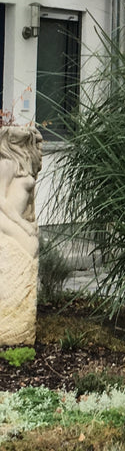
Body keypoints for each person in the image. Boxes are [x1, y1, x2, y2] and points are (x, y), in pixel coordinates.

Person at [0, 125, 42, 345]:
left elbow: (29, 204)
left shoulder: (25, 166)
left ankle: (16, 321)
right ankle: (10, 322)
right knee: (29, 248)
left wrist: (31, 222)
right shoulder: (7, 164)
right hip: (6, 220)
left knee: (32, 248)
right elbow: (1, 201)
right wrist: (22, 225)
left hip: (18, 221)